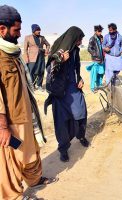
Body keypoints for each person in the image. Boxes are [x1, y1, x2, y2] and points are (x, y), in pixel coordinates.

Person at [0, 5, 57, 200]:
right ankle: (14, 196)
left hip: (27, 115)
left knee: (31, 151)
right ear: (2, 29)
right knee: (12, 160)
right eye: (16, 30)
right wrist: (3, 127)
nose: (19, 34)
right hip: (11, 120)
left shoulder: (12, 53)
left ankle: (34, 180)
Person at [44, 26, 89, 162]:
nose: (80, 42)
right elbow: (49, 70)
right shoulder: (59, 49)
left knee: (81, 113)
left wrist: (79, 78)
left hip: (73, 89)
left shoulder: (75, 50)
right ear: (73, 38)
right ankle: (63, 149)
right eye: (79, 39)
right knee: (62, 122)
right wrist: (60, 60)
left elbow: (76, 69)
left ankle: (81, 135)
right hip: (60, 92)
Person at [24, 24, 50, 91]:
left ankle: (39, 85)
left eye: (39, 30)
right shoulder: (27, 37)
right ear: (33, 30)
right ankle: (31, 85)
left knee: (41, 71)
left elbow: (48, 45)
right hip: (32, 58)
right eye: (37, 30)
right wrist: (26, 59)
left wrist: (46, 52)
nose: (39, 31)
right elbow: (25, 49)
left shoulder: (42, 37)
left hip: (41, 57)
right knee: (31, 72)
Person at [87, 25, 105, 92]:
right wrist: (95, 55)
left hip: (101, 60)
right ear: (95, 31)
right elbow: (89, 48)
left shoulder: (100, 38)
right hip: (96, 60)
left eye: (101, 31)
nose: (100, 32)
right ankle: (93, 88)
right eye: (99, 31)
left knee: (101, 73)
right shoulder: (92, 38)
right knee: (94, 75)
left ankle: (99, 86)